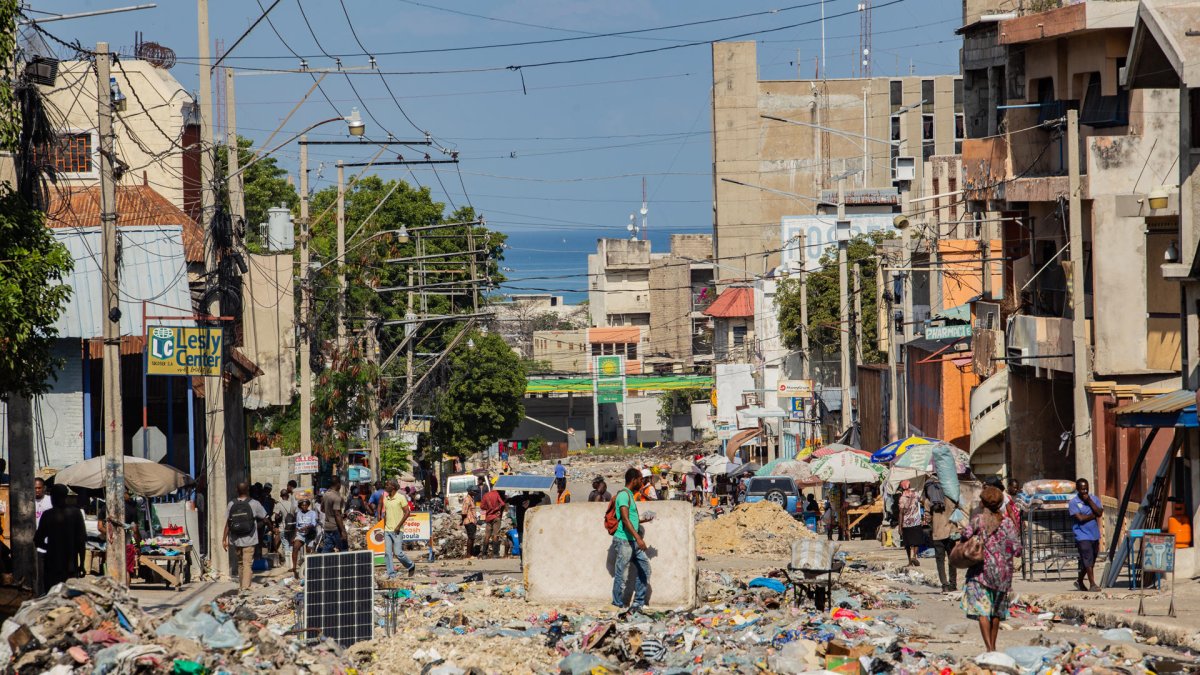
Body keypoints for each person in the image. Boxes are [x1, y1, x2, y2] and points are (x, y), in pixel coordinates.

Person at [960, 485, 1022, 652]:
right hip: (1003, 575)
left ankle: (989, 649)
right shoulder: (1008, 523)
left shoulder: (978, 520)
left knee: (982, 611)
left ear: (983, 503)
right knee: (996, 613)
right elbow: (1017, 550)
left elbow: (964, 536)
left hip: (980, 572)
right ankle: (993, 647)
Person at [611, 468, 651, 616]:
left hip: (632, 540)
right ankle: (617, 604)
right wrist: (639, 538)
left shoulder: (630, 495)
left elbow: (631, 519)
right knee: (621, 573)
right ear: (633, 480)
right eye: (640, 480)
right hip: (624, 540)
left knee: (645, 569)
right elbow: (625, 518)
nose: (642, 482)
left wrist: (644, 520)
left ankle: (638, 603)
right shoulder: (623, 495)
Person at [35, 484, 86, 591]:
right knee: (69, 596)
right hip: (71, 565)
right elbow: (81, 541)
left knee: (52, 595)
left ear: (52, 497)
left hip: (52, 564)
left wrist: (50, 548)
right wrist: (82, 563)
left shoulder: (47, 515)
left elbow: (37, 540)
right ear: (66, 497)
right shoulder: (76, 513)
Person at [223, 482, 268, 593]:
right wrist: (271, 527)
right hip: (250, 538)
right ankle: (245, 587)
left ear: (236, 490)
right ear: (248, 490)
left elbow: (228, 523)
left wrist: (224, 538)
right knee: (247, 563)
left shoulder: (231, 504)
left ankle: (241, 585)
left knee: (240, 563)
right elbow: (265, 517)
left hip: (236, 539)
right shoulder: (254, 503)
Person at [923, 475, 961, 591]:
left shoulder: (928, 501)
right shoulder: (950, 498)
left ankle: (944, 585)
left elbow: (927, 518)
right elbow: (958, 508)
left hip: (937, 534)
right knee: (951, 559)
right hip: (951, 533)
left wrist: (932, 523)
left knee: (940, 561)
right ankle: (953, 584)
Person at [1069, 478, 1103, 592]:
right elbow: (1080, 518)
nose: (1084, 491)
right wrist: (1093, 515)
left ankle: (1079, 581)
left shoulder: (1094, 499)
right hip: (1082, 535)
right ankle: (1092, 584)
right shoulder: (1073, 502)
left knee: (1090, 560)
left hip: (1094, 534)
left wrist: (1090, 501)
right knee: (1087, 557)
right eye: (1082, 489)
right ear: (1077, 489)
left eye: (1086, 489)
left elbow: (1099, 512)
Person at [381, 479, 417, 578]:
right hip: (387, 530)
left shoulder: (401, 497)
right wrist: (384, 527)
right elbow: (386, 514)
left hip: (397, 530)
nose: (386, 486)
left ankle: (410, 565)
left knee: (398, 553)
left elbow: (407, 512)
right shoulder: (386, 499)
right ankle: (391, 574)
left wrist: (398, 526)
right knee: (388, 553)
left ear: (393, 487)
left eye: (387, 484)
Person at [898, 480, 924, 566]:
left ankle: (910, 561)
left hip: (906, 523)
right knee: (916, 541)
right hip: (916, 521)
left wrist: (900, 527)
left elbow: (901, 513)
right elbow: (923, 501)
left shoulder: (902, 498)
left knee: (907, 544)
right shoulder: (916, 494)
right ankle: (914, 556)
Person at [319, 477, 348, 553]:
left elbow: (322, 509)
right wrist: (343, 531)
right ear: (338, 484)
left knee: (327, 549)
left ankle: (322, 560)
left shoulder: (325, 495)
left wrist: (330, 513)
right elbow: (337, 514)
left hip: (327, 527)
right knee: (344, 549)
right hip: (336, 527)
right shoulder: (337, 497)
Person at [292, 498, 319, 577]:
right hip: (301, 534)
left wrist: (307, 527)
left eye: (305, 505)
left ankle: (307, 567)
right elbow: (297, 525)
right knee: (295, 547)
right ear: (300, 506)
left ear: (308, 505)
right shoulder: (298, 513)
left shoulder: (312, 513)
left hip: (310, 533)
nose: (304, 507)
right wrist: (294, 536)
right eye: (302, 505)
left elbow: (313, 524)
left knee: (308, 551)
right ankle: (294, 568)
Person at [480, 487, 507, 558]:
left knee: (487, 535)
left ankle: (484, 554)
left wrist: (483, 517)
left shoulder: (486, 495)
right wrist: (498, 509)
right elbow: (503, 504)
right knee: (495, 535)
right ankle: (495, 554)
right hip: (496, 517)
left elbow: (482, 507)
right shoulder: (497, 494)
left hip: (488, 517)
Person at [461, 490, 479, 558]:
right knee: (470, 537)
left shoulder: (471, 499)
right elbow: (464, 512)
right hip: (469, 521)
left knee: (472, 537)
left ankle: (470, 554)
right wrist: (462, 520)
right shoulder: (467, 499)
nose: (475, 493)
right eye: (474, 491)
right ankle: (468, 555)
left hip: (472, 521)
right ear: (470, 491)